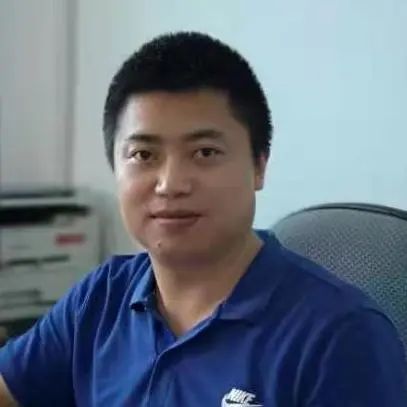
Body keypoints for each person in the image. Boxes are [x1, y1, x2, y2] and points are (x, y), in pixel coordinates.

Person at [0, 31, 406, 407]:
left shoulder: (340, 337)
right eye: (143, 155)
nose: (170, 184)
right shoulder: (102, 298)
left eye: (205, 153)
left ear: (259, 165)